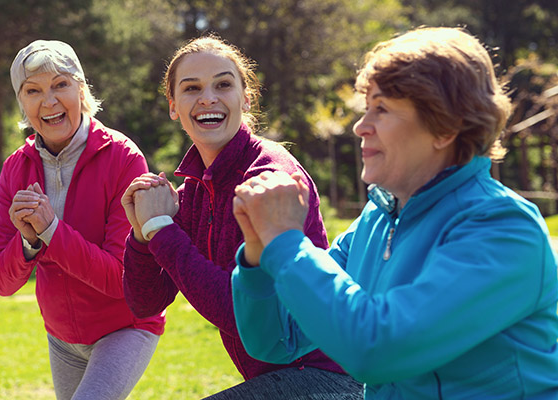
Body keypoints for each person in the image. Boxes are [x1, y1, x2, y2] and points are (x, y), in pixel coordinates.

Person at [231, 27, 558, 399]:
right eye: (366, 107)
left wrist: (288, 243)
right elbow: (277, 340)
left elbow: (379, 350)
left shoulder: (503, 229)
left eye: (382, 109)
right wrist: (258, 255)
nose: (361, 126)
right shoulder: (378, 217)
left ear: (445, 127)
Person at [121, 35, 361, 399]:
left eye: (223, 84)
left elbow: (243, 315)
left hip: (326, 375)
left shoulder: (268, 177)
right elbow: (146, 302)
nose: (208, 98)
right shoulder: (194, 195)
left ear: (245, 98)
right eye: (191, 88)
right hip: (280, 380)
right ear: (173, 106)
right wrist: (141, 237)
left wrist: (161, 230)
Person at [0, 40, 164, 400]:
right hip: (62, 338)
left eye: (60, 85)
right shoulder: (15, 168)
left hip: (125, 328)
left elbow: (122, 278)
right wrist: (28, 243)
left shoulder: (123, 158)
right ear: (22, 103)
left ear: (81, 89)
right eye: (33, 91)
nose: (48, 101)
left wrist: (50, 229)